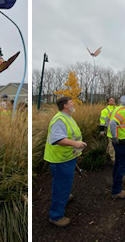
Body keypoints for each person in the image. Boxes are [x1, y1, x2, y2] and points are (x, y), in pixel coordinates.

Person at [44, 97, 86, 227]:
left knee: (64, 185)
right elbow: (57, 139)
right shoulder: (59, 120)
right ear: (65, 105)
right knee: (61, 187)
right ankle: (56, 216)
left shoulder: (67, 117)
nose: (74, 104)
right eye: (71, 102)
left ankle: (64, 198)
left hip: (67, 158)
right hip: (60, 160)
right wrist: (76, 144)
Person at [108, 94, 125, 199]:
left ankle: (115, 182)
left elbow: (107, 119)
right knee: (123, 164)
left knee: (118, 162)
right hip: (120, 141)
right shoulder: (123, 111)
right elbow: (113, 123)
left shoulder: (116, 108)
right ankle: (117, 190)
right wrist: (114, 136)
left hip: (117, 141)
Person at [100, 97, 116, 161]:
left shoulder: (117, 109)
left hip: (117, 129)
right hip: (109, 128)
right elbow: (102, 121)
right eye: (111, 100)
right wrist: (102, 130)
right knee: (111, 143)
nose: (112, 101)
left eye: (113, 100)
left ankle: (107, 154)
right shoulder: (104, 111)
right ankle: (113, 158)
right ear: (108, 102)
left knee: (110, 143)